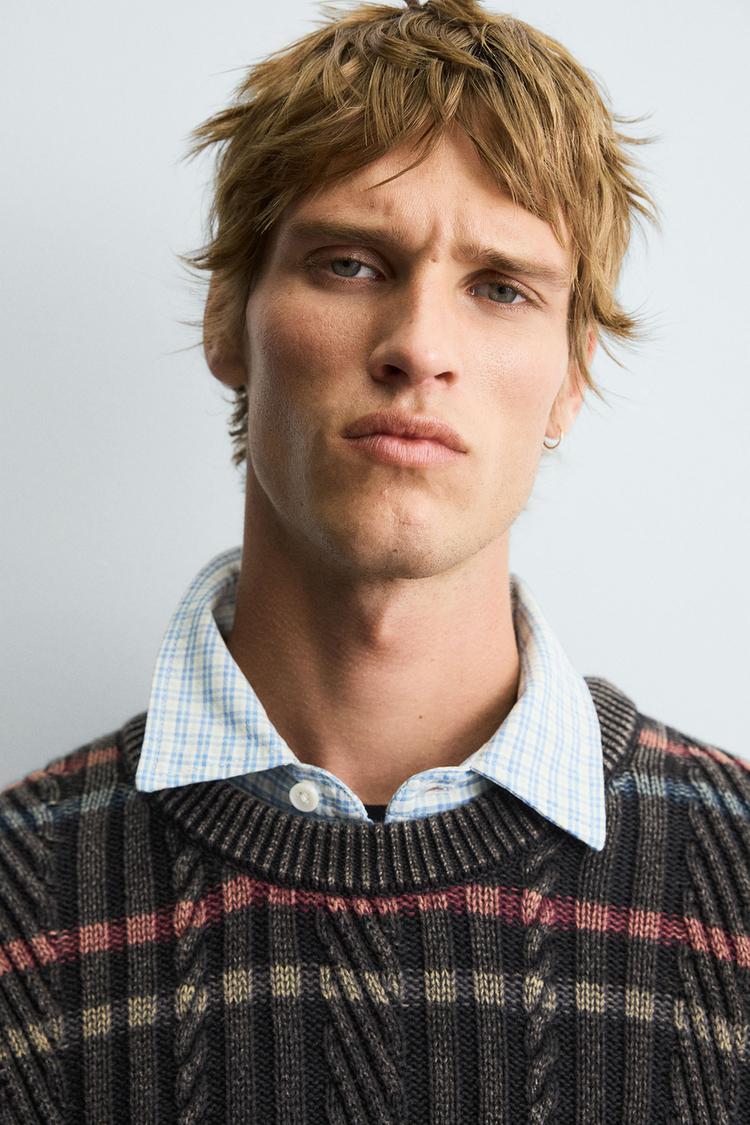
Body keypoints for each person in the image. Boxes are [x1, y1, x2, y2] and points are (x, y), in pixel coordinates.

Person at [1, 0, 748, 1121]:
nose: (419, 348)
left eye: (501, 288)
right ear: (226, 319)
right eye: (351, 264)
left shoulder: (734, 881)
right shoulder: (21, 906)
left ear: (572, 377)